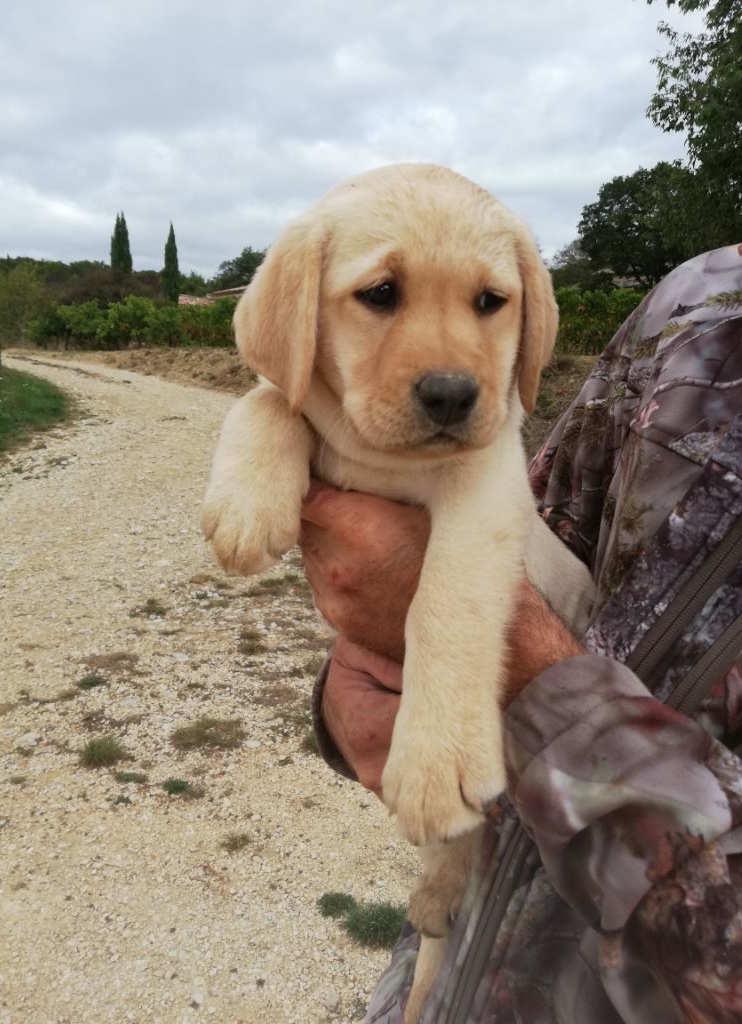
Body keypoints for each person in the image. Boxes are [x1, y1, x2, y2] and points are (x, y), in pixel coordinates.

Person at [299, 244, 742, 1024]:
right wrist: (359, 678)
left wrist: (524, 672)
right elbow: (528, 527)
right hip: (459, 963)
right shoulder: (704, 301)